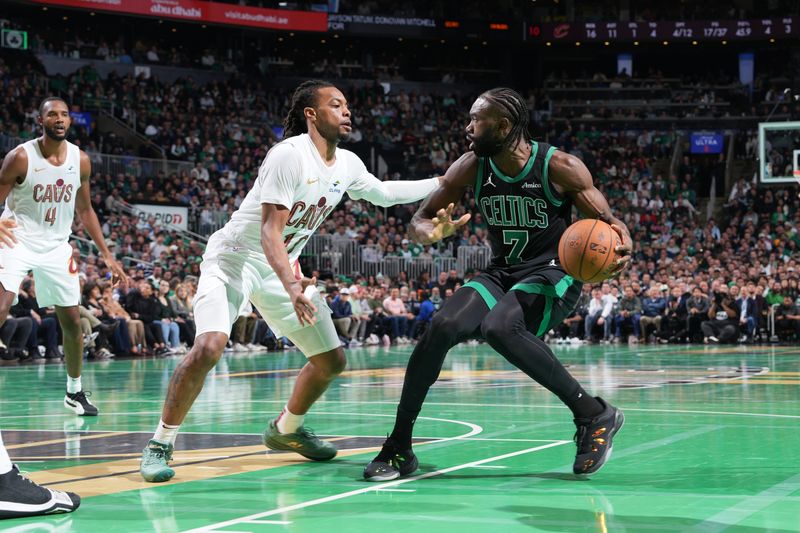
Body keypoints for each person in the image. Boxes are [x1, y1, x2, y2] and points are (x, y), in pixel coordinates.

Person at [139, 80, 444, 482]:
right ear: (311, 114)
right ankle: (161, 442)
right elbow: (269, 232)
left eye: (347, 105)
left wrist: (443, 182)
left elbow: (385, 193)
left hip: (282, 268)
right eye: (336, 105)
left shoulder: (348, 164)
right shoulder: (288, 155)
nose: (347, 111)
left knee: (331, 360)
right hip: (235, 259)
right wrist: (292, 285)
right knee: (209, 346)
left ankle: (285, 430)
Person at [364, 87, 630, 481]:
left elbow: (612, 225)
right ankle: (400, 446)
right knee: (442, 326)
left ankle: (592, 414)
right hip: (503, 270)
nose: (468, 127)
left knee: (499, 327)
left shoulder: (560, 166)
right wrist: (428, 232)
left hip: (553, 273)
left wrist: (622, 246)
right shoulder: (470, 166)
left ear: (504, 126)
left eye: (477, 120)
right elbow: (420, 220)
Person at [0, 97, 126, 416]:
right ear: (40, 121)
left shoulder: (80, 160)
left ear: (70, 122)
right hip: (18, 236)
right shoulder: (20, 158)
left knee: (71, 320)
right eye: (52, 114)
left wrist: (107, 255)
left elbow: (85, 209)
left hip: (57, 245)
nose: (60, 118)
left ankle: (74, 392)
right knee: (2, 304)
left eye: (65, 114)